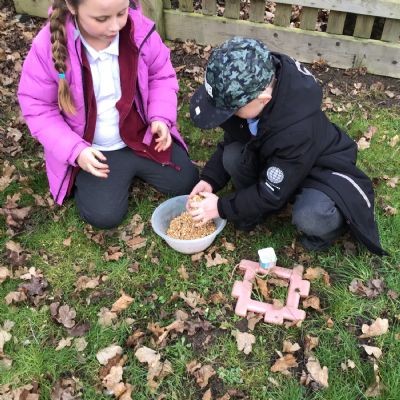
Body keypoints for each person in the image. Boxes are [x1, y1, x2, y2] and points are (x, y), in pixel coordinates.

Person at [187, 37, 385, 255]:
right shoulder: (253, 91)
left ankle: (327, 229)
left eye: (231, 110)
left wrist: (222, 207)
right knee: (232, 155)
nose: (229, 116)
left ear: (263, 99)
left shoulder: (296, 129)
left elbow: (271, 193)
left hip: (317, 169)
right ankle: (252, 209)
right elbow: (232, 138)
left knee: (311, 216)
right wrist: (210, 179)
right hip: (279, 159)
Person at [18, 0, 199, 229]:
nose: (115, 26)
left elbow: (160, 76)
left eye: (121, 13)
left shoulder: (139, 30)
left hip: (140, 137)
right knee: (104, 216)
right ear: (72, 7)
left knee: (187, 181)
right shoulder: (47, 46)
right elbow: (38, 107)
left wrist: (160, 117)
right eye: (101, 19)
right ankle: (98, 176)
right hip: (94, 150)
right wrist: (76, 151)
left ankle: (135, 164)